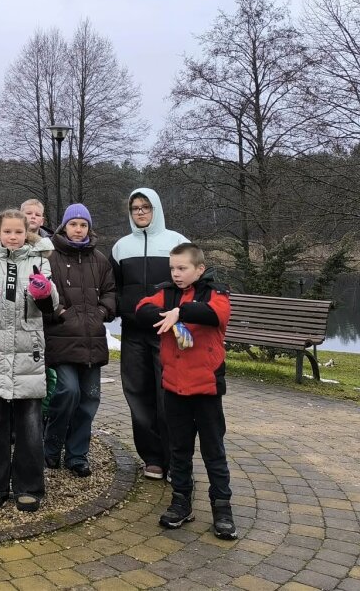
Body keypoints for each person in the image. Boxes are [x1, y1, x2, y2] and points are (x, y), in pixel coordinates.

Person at [134, 243, 236, 540]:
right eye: (172, 269)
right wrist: (168, 311)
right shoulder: (166, 293)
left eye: (182, 268)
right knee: (178, 449)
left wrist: (180, 313)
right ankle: (181, 501)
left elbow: (216, 315)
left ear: (199, 269)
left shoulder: (216, 292)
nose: (176, 274)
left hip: (206, 389)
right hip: (174, 388)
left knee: (213, 450)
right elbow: (142, 309)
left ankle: (222, 507)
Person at [0, 208, 57, 512]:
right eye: (7, 232)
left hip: (30, 352)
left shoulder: (40, 260)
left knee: (30, 425)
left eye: (18, 232)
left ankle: (29, 487)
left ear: (27, 233)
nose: (13, 237)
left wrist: (45, 293)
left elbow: (53, 304)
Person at [109, 187, 189, 481]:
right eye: (135, 208)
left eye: (146, 207)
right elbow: (114, 288)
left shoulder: (177, 242)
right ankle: (153, 459)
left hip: (168, 332)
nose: (140, 212)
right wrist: (121, 308)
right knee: (138, 394)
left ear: (156, 208)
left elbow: (191, 283)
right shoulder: (121, 247)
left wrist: (181, 313)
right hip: (133, 333)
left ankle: (176, 461)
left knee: (170, 395)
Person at [43, 204, 116, 477]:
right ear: (64, 227)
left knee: (89, 399)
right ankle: (51, 446)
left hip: (92, 341)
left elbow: (110, 292)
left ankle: (77, 455)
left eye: (83, 225)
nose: (78, 229)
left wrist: (102, 312)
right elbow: (41, 292)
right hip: (61, 338)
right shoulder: (50, 256)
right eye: (73, 224)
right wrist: (61, 313)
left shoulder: (99, 259)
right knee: (68, 391)